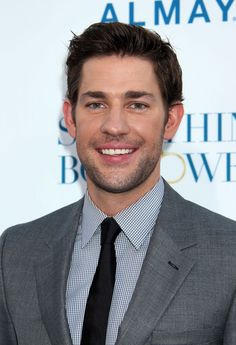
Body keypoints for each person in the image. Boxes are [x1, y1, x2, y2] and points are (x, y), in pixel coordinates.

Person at [0, 22, 235, 345]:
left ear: (170, 120)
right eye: (96, 104)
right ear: (70, 117)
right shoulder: (15, 252)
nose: (114, 126)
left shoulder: (229, 254)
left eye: (136, 104)